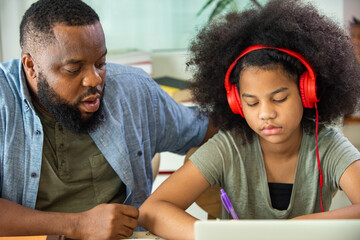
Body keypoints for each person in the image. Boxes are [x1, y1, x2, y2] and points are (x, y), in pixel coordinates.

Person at [138, 0, 360, 239]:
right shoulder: (229, 146)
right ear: (236, 102)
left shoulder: (328, 146)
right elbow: (151, 210)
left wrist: (300, 226)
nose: (265, 113)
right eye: (252, 103)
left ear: (307, 93)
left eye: (280, 98)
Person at [0, 0, 217, 239]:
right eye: (74, 69)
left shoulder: (132, 90)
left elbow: (206, 129)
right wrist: (77, 224)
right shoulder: (4, 102)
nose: (94, 80)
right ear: (31, 66)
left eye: (100, 63)